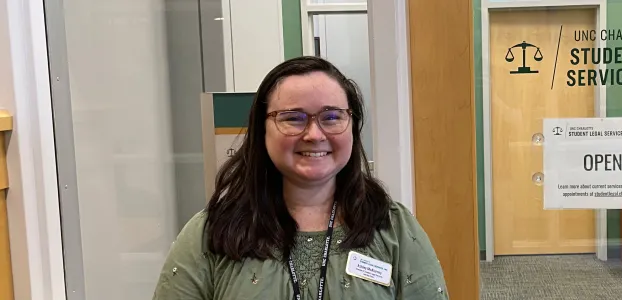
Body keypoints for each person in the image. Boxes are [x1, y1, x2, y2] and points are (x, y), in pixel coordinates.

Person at [152, 56, 448, 300]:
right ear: (262, 130)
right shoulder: (210, 233)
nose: (314, 134)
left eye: (332, 117)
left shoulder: (393, 228)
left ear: (352, 126)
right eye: (293, 117)